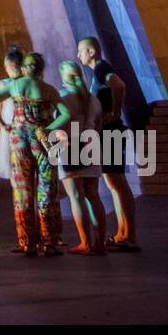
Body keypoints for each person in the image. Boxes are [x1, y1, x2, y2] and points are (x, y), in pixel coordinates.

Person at [0, 47, 69, 256]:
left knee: (22, 190)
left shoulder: (15, 86)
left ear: (24, 68)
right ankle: (48, 240)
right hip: (43, 142)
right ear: (40, 69)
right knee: (47, 188)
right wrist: (48, 128)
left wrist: (4, 125)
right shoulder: (49, 90)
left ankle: (27, 242)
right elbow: (66, 114)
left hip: (19, 142)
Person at [77, 36, 140, 251]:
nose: (79, 56)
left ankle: (130, 235)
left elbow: (119, 84)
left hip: (110, 133)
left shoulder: (101, 68)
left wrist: (114, 111)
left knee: (118, 183)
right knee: (114, 184)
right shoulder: (98, 71)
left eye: (81, 51)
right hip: (107, 133)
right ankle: (122, 233)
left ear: (92, 52)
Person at [55, 61, 106, 255]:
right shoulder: (93, 99)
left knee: (76, 197)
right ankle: (100, 243)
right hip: (91, 146)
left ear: (63, 78)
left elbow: (57, 126)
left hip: (70, 148)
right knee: (94, 195)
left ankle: (85, 242)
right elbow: (99, 125)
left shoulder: (62, 98)